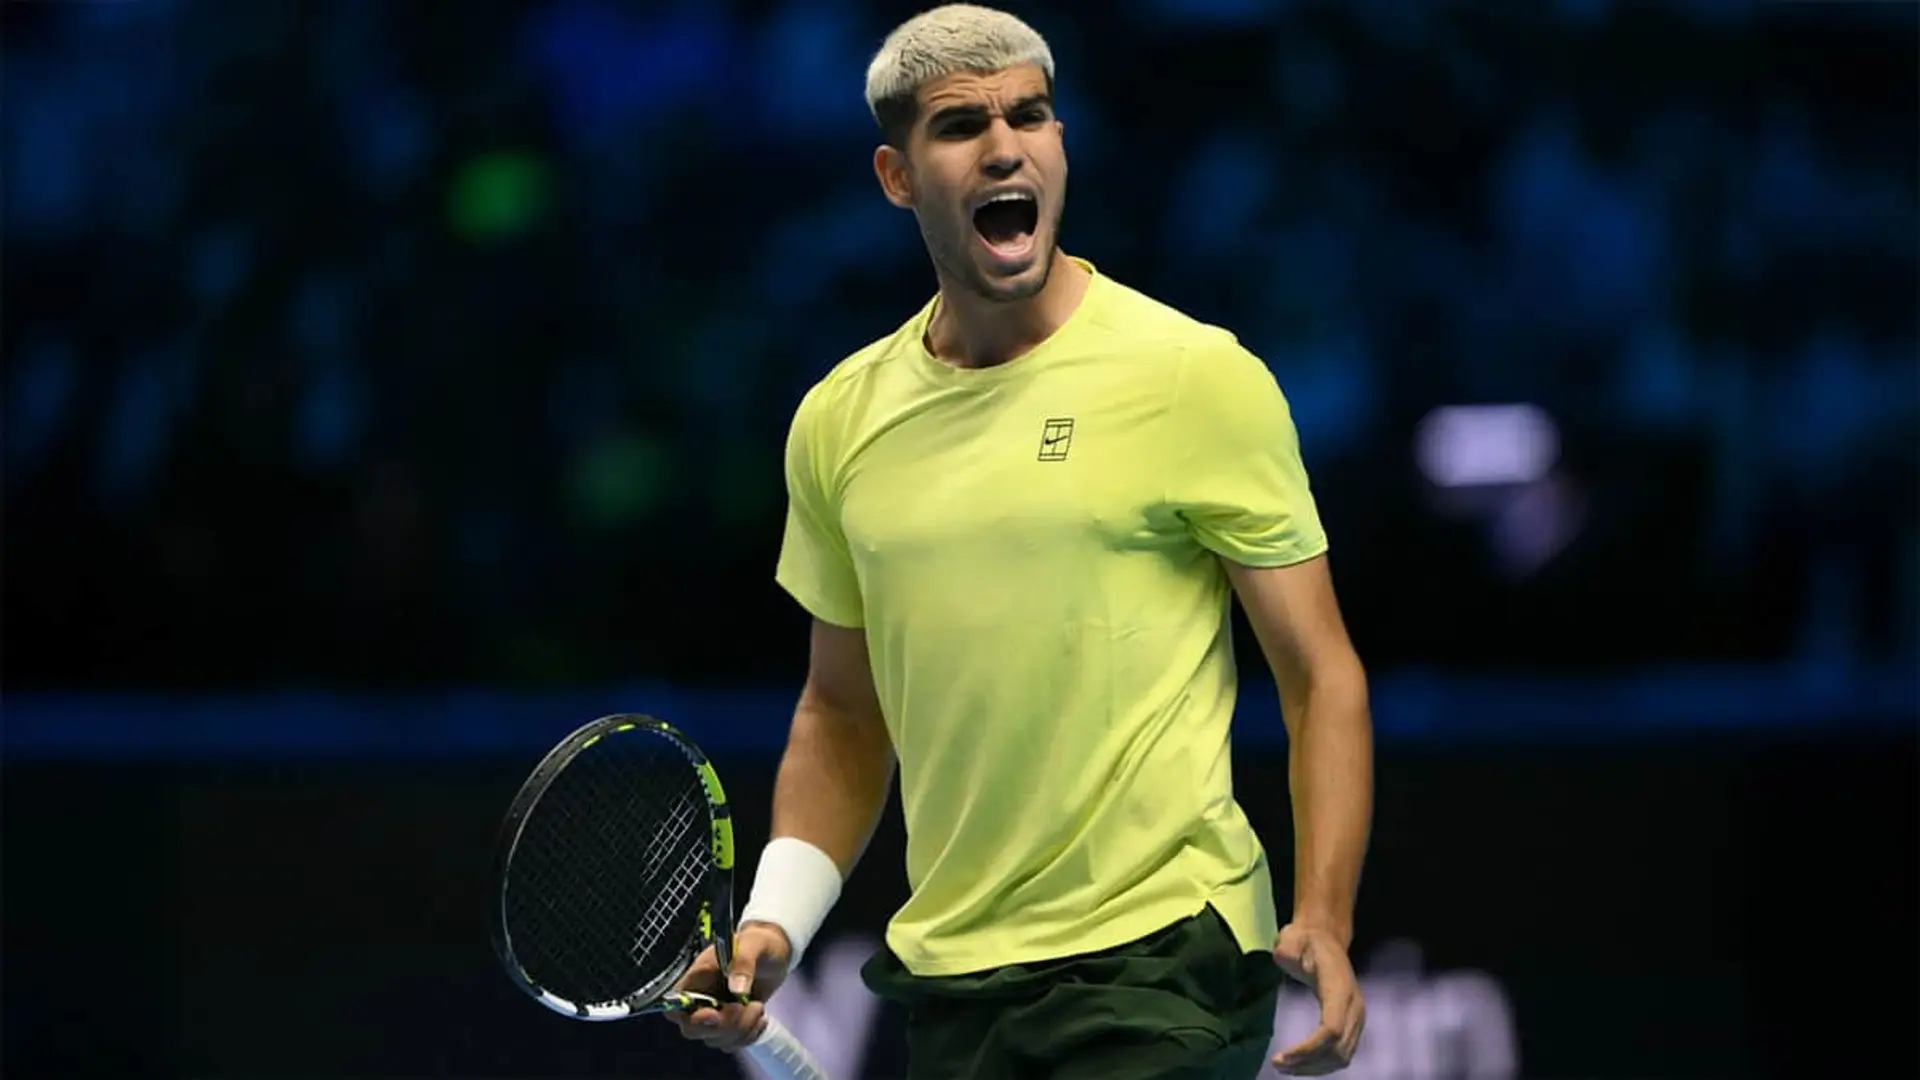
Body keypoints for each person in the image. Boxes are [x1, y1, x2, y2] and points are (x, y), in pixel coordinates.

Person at [669, 5, 1374, 1077]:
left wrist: (1323, 913)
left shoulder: (1193, 376)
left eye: (1031, 115)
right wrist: (774, 925)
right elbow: (845, 710)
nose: (1005, 145)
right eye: (959, 126)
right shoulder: (840, 422)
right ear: (897, 176)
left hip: (1164, 957)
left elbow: (1319, 673)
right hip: (954, 981)